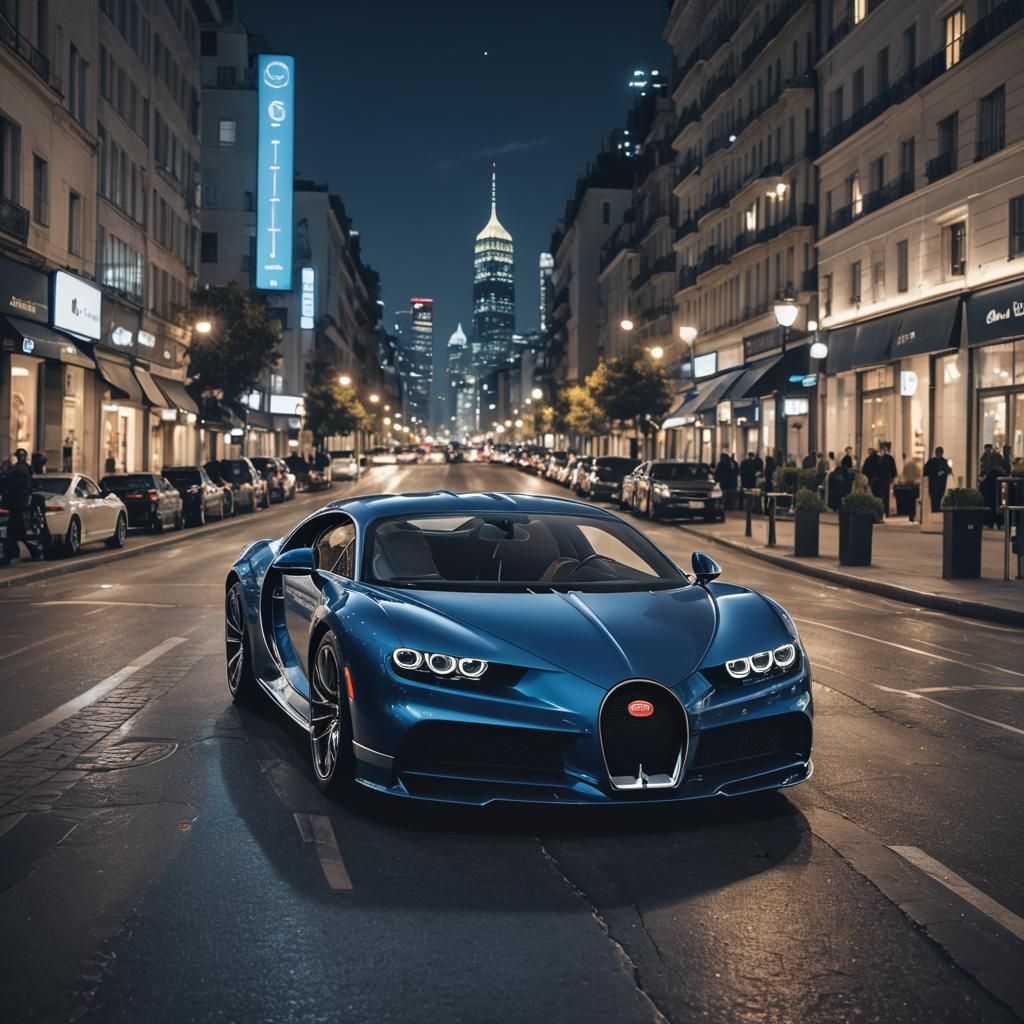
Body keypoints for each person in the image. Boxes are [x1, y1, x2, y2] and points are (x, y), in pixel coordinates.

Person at [1, 448, 42, 565]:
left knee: (16, 532)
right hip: (18, 505)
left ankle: (15, 553)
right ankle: (18, 553)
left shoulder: (18, 470)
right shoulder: (20, 469)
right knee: (16, 532)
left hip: (18, 505)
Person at [922, 446, 950, 513]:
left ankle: (935, 509)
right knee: (936, 496)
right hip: (938, 483)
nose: (939, 454)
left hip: (935, 483)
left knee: (936, 496)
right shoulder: (944, 462)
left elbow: (926, 471)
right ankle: (936, 509)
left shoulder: (932, 461)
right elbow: (947, 471)